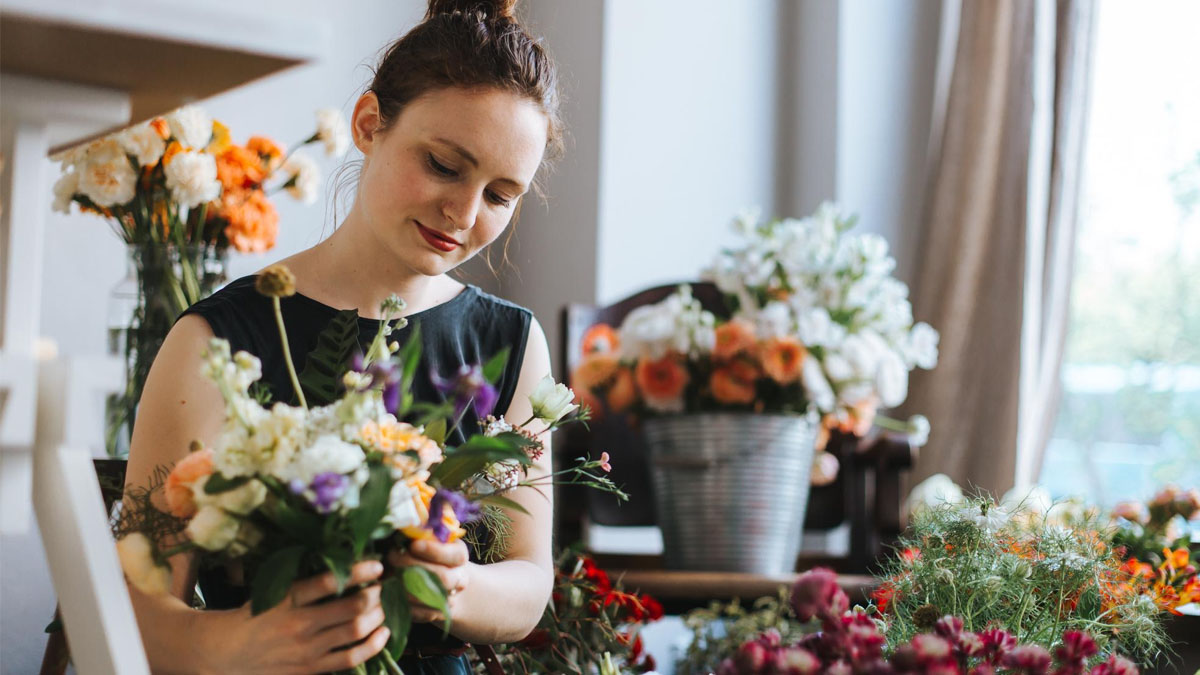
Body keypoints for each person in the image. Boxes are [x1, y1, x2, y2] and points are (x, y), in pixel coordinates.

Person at [122, 1, 562, 672]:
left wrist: (456, 583)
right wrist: (238, 644)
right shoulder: (215, 337)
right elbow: (136, 605)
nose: (465, 213)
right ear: (368, 124)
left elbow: (531, 583)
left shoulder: (512, 342)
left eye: (500, 194)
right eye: (445, 165)